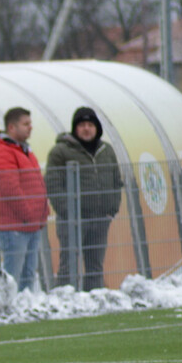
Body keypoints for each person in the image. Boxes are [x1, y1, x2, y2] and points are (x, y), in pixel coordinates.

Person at [45, 107, 123, 291]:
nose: (86, 129)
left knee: (95, 265)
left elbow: (115, 180)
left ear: (97, 128)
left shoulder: (107, 151)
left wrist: (111, 209)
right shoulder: (60, 152)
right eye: (81, 125)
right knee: (69, 264)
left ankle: (94, 298)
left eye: (90, 124)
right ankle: (65, 299)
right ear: (75, 128)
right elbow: (53, 184)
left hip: (100, 218)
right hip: (73, 221)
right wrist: (68, 211)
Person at [0, 107, 49, 292]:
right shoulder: (1, 151)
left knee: (28, 274)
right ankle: (10, 310)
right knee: (13, 276)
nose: (30, 127)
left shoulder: (24, 150)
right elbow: (10, 188)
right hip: (14, 226)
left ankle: (23, 309)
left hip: (31, 224)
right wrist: (28, 214)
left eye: (30, 123)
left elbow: (35, 184)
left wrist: (42, 213)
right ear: (12, 127)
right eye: (25, 124)